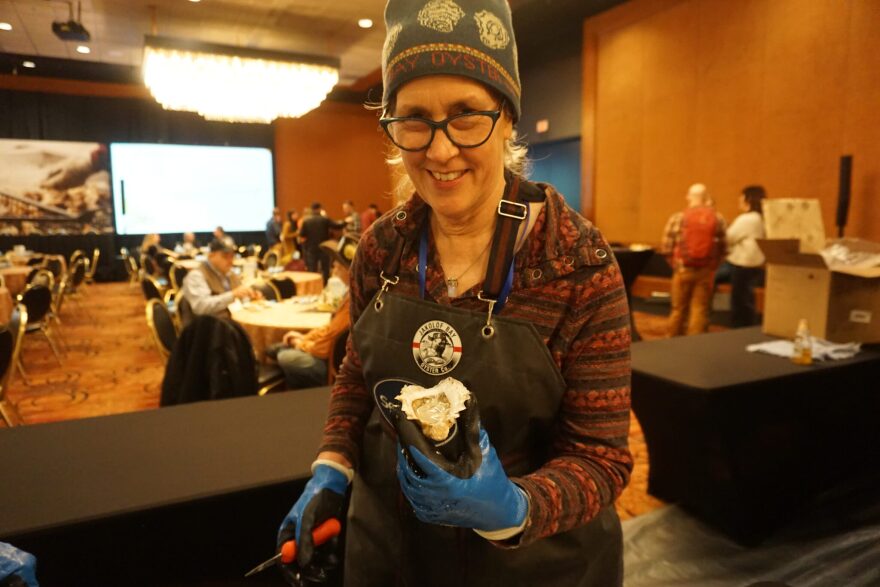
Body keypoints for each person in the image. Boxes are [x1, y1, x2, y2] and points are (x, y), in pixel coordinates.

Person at [274, 2, 633, 585]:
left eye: (466, 115)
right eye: (415, 119)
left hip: (533, 563)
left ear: (508, 118)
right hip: (393, 552)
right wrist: (332, 464)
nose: (439, 151)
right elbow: (356, 378)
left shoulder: (576, 264)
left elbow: (602, 459)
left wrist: (516, 507)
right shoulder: (381, 248)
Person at [268, 234, 357, 389]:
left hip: (330, 365)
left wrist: (301, 343)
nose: (334, 270)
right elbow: (329, 330)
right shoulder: (350, 294)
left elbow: (324, 349)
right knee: (278, 350)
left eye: (337, 266)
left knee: (284, 356)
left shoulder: (353, 300)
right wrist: (305, 337)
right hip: (324, 353)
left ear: (348, 270)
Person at [661, 183, 728, 336]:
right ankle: (693, 345)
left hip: (683, 269)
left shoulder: (678, 218)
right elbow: (724, 249)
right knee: (699, 309)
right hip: (705, 272)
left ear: (689, 197)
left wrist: (677, 265)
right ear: (705, 198)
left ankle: (670, 341)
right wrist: (712, 267)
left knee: (678, 309)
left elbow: (666, 247)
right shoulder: (718, 218)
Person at [181, 239, 261, 319]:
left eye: (232, 256)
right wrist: (232, 295)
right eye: (225, 256)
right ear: (211, 255)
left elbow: (240, 300)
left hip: (231, 323)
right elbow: (201, 307)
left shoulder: (230, 274)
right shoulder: (196, 276)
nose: (231, 261)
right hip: (208, 328)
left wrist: (250, 298)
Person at [724, 185, 766, 327]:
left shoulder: (747, 219)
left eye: (741, 197)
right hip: (756, 264)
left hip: (743, 264)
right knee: (748, 299)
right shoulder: (761, 218)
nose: (739, 200)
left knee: (740, 301)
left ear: (748, 199)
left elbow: (728, 237)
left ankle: (738, 328)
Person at [298, 202, 334, 282]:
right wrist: (346, 222)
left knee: (312, 270)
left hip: (311, 249)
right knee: (325, 270)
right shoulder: (324, 219)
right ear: (320, 208)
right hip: (324, 248)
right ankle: (325, 286)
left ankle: (313, 288)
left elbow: (302, 234)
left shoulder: (306, 221)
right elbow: (336, 226)